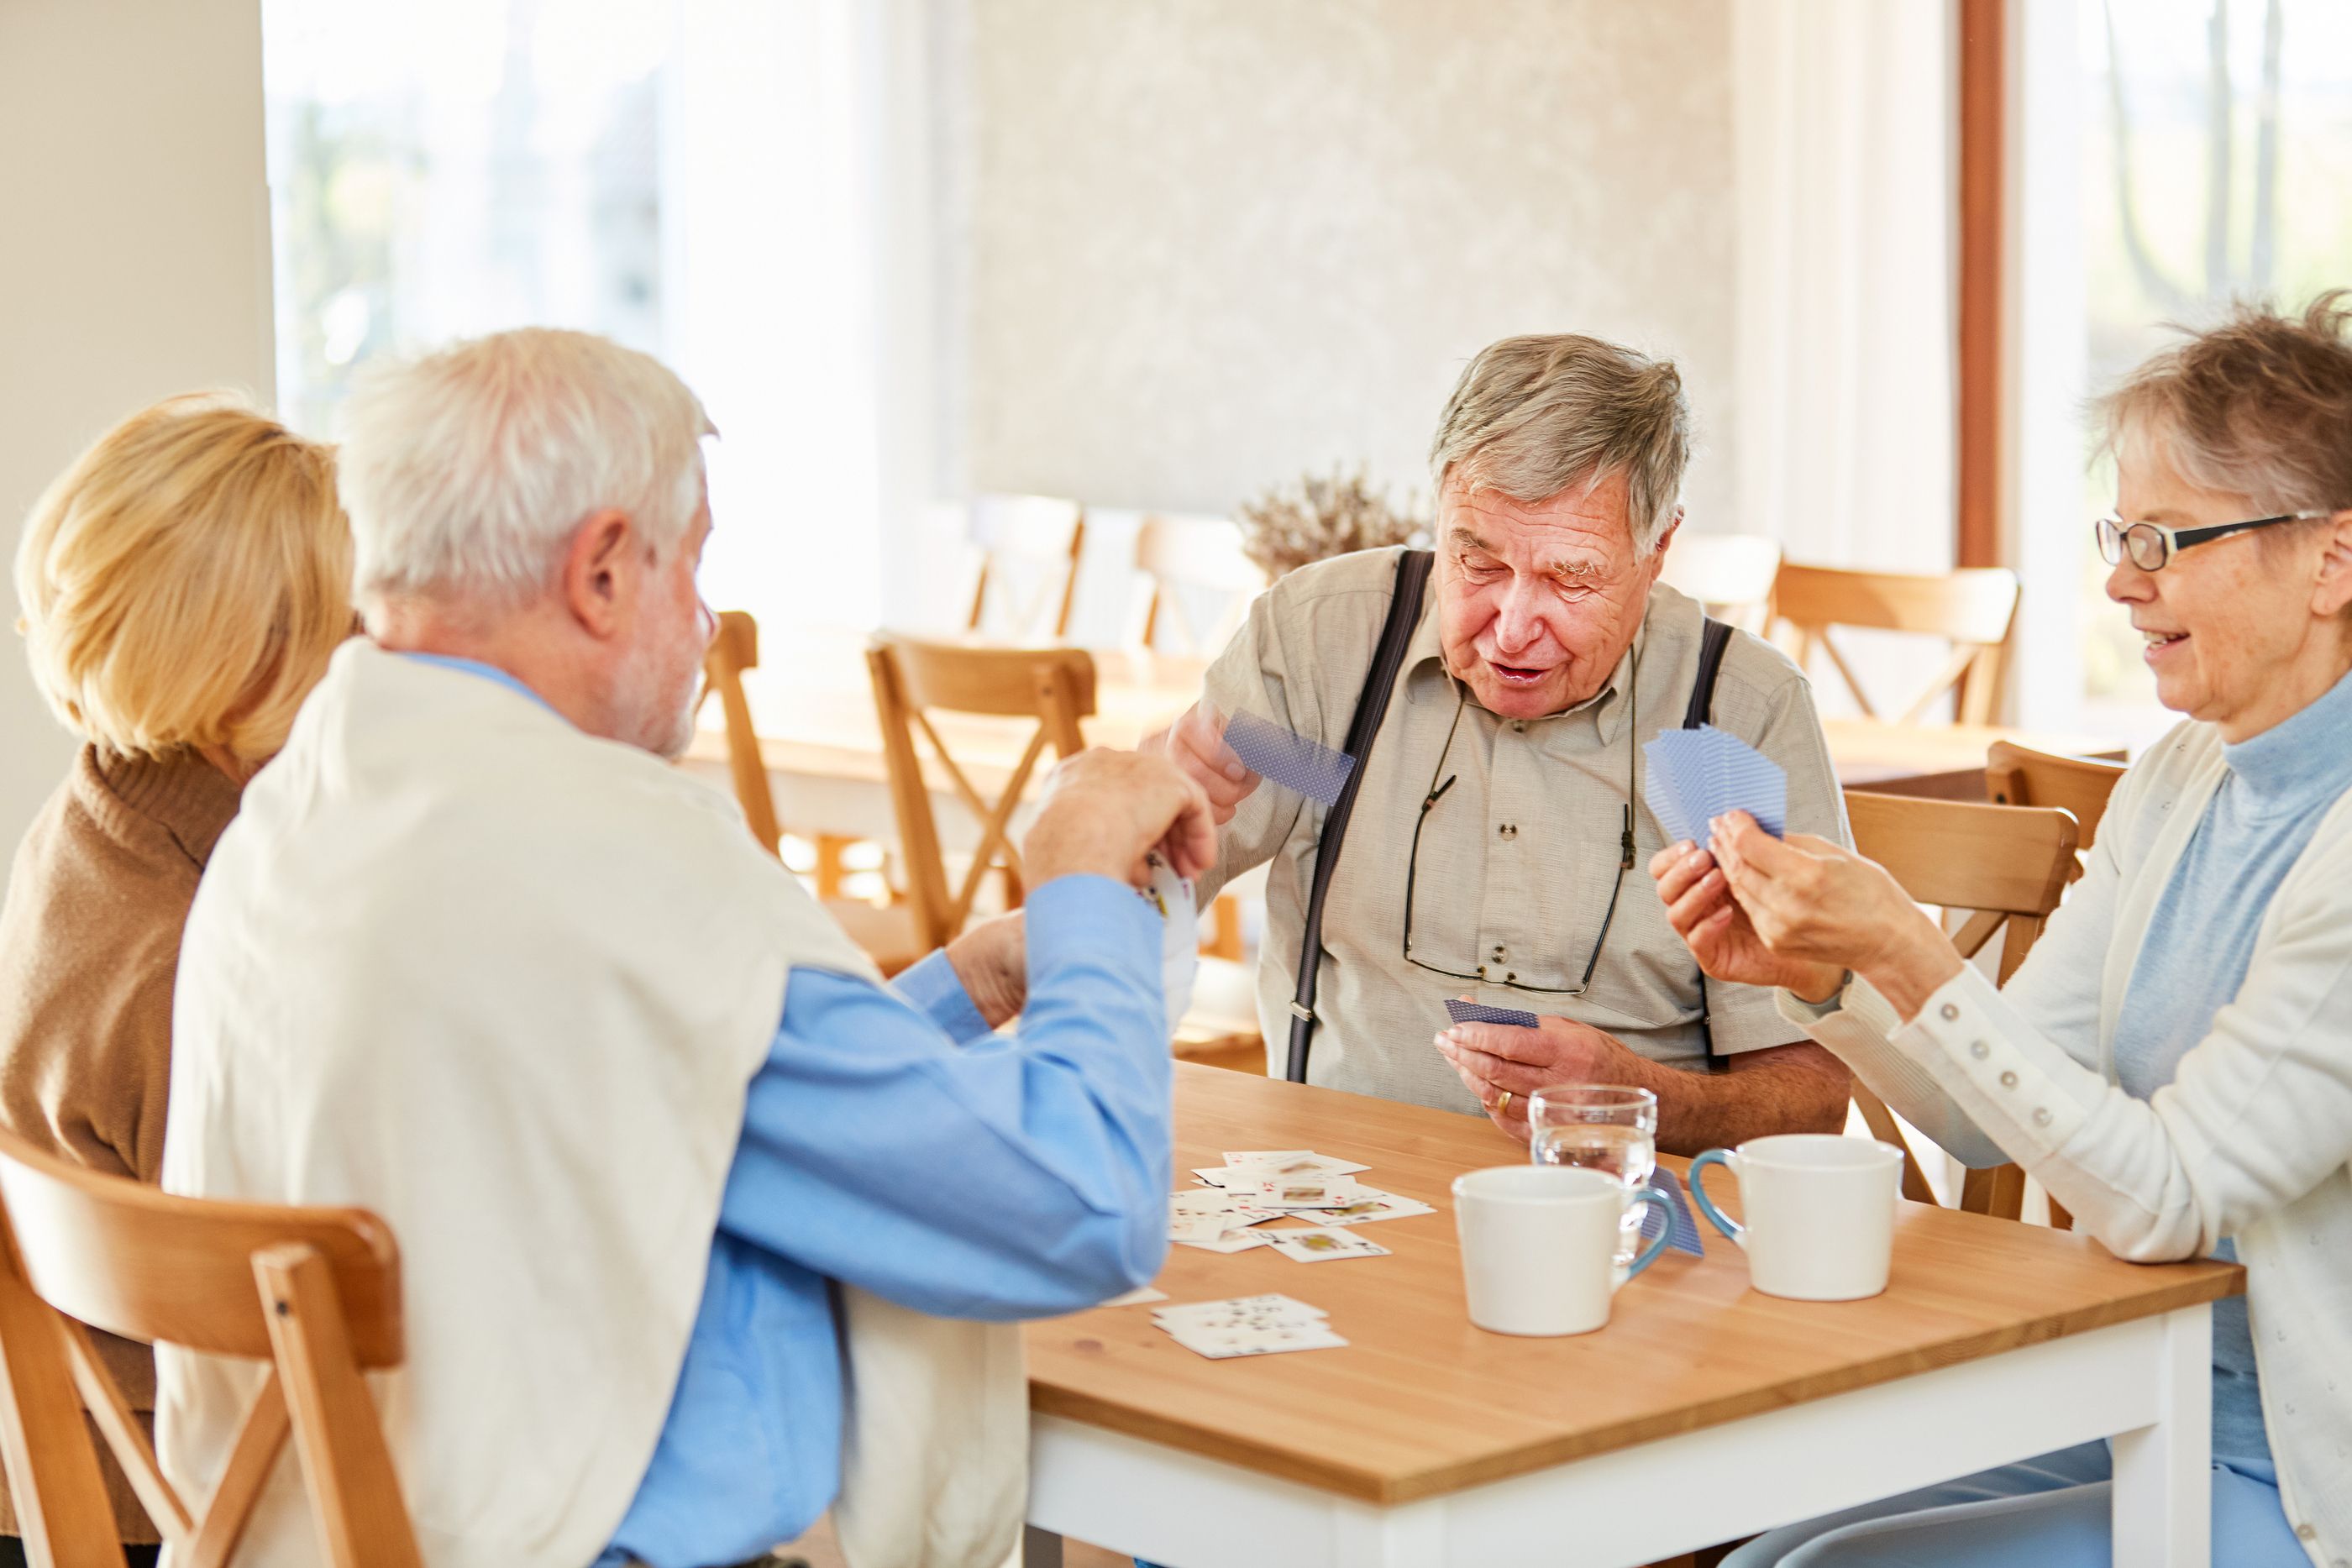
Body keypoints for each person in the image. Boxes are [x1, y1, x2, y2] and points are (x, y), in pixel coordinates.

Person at [158, 328, 1210, 1568]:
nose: (705, 619)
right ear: (602, 570)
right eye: (694, 562)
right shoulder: (622, 855)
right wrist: (1082, 871)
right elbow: (1079, 1206)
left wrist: (962, 983)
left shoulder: (302, 808)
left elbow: (681, 1072)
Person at [1652, 296, 2352, 1566]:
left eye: (2165, 537)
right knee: (1758, 1543)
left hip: (2308, 1468)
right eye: (2118, 531)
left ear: (2331, 560)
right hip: (2147, 1388)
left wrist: (1909, 948)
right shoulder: (2183, 778)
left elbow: (2167, 1198)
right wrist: (1833, 977)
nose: (2121, 578)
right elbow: (1991, 1105)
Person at [1157, 333, 1851, 1153]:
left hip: (1627, 1217)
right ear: (1440, 508)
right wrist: (1150, 819)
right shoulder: (1333, 655)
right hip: (1332, 1184)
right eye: (1476, 561)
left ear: (1656, 549)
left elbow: (1807, 1098)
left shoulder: (1724, 725)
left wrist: (1641, 1096)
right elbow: (1171, 869)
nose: (1513, 630)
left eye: (1569, 578)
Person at [0, 395, 351, 1565]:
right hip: (168, 1501)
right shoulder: (193, 954)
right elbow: (286, 1328)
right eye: (348, 629)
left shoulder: (94, 812)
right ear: (242, 669)